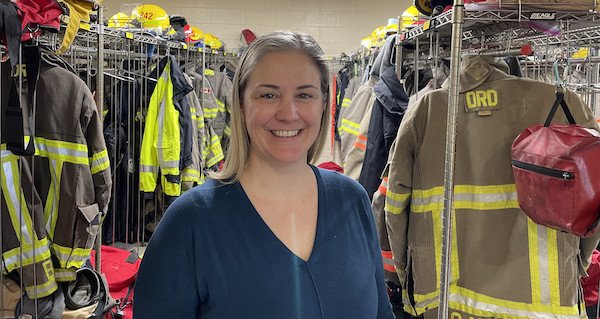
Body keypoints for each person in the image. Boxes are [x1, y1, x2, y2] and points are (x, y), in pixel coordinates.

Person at [134, 30, 395, 319]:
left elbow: (382, 313)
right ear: (242, 105)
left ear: (323, 104)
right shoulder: (191, 221)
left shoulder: (352, 201)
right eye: (269, 94)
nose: (288, 112)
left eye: (304, 95)